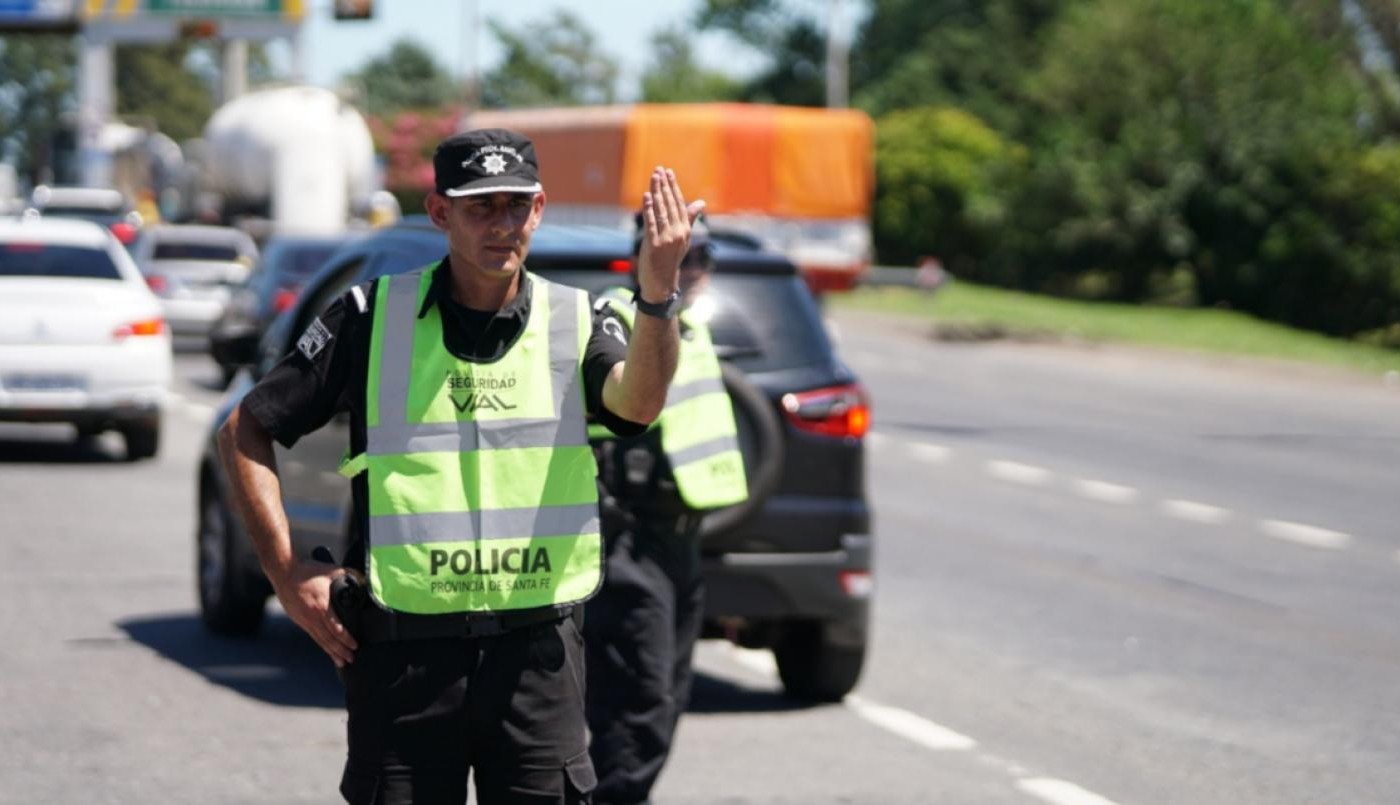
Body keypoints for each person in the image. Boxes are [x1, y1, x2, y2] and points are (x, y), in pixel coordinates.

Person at [217, 128, 701, 805]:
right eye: (482, 207)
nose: (502, 225)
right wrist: (285, 572)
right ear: (441, 212)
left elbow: (639, 404)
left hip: (536, 658)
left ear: (538, 209)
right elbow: (244, 430)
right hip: (402, 659)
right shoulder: (369, 315)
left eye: (516, 205)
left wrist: (657, 293)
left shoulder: (577, 318)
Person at [584, 215, 750, 804]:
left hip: (682, 542)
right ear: (643, 259)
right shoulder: (619, 318)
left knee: (669, 696)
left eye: (701, 256)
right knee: (640, 699)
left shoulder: (694, 330)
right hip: (628, 538)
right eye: (680, 257)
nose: (694, 269)